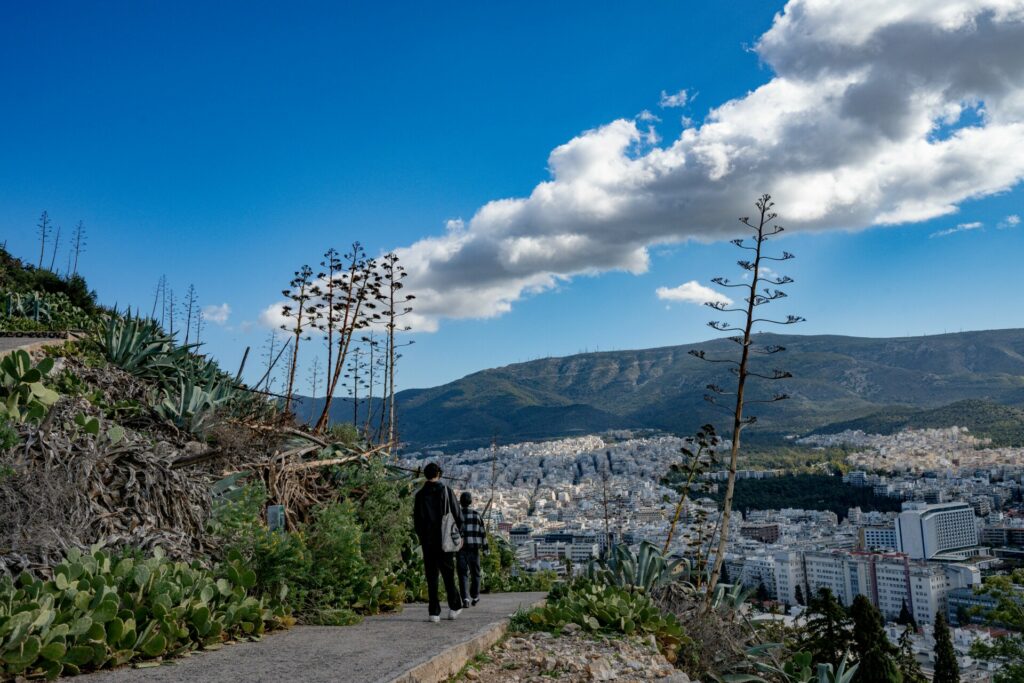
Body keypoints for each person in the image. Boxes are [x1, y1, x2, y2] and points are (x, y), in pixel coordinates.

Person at [413, 462, 463, 622]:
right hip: (445, 540)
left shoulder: (419, 495)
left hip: (428, 542)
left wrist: (422, 537)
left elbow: (417, 521)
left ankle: (434, 612)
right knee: (448, 574)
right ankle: (454, 607)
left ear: (425, 475)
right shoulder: (446, 492)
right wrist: (457, 534)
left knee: (431, 576)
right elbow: (457, 515)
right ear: (439, 474)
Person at [457, 491, 489, 608]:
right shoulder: (476, 515)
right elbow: (482, 534)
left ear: (460, 502)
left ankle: (465, 599)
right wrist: (486, 550)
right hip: (474, 549)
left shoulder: (457, 515)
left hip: (460, 548)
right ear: (470, 502)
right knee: (476, 573)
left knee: (462, 574)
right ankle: (475, 596)